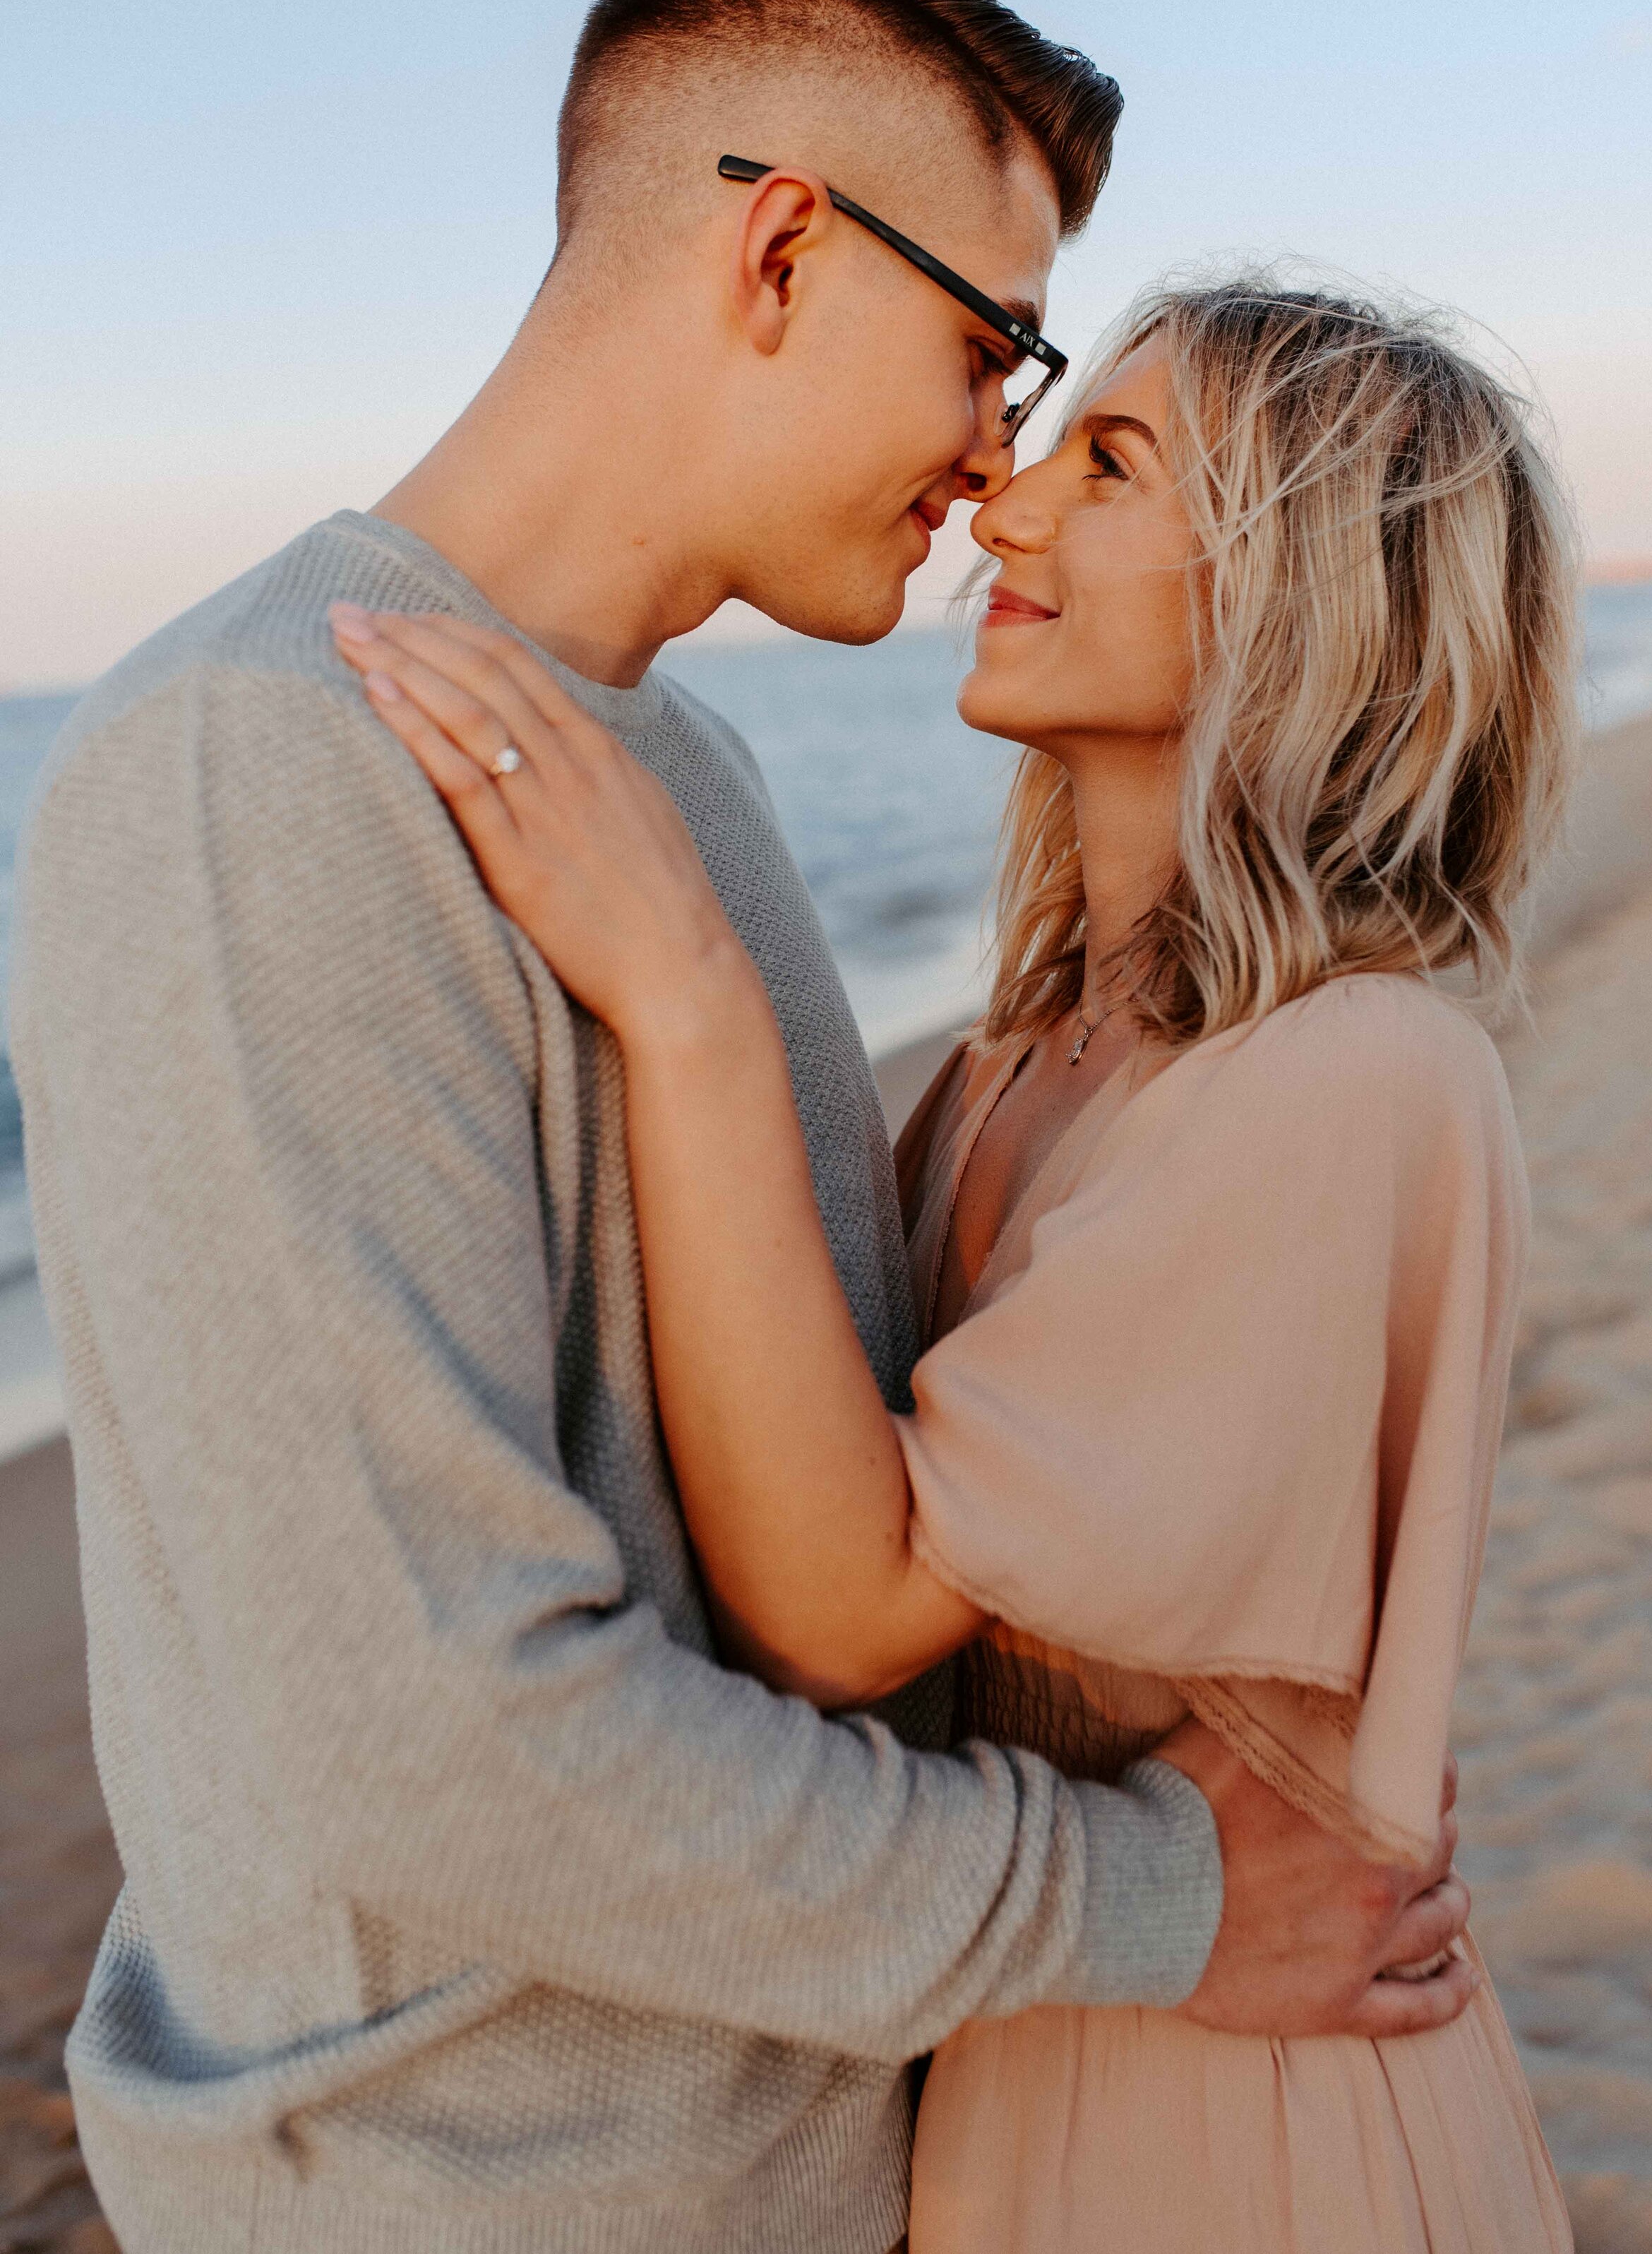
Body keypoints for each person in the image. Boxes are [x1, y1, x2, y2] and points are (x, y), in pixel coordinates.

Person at [13, 0, 1473, 2254]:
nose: (990, 461)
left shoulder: (682, 774)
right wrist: (1157, 1896)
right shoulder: (254, 769)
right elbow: (430, 1731)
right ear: (784, 248)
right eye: (994, 346)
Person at [333, 274, 1579, 2249]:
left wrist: (686, 992)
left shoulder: (1357, 1070)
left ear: (1306, 580)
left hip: (1237, 2115)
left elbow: (843, 1605)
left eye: (1108, 464)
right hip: (1053, 2043)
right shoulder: (1028, 1057)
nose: (997, 508)